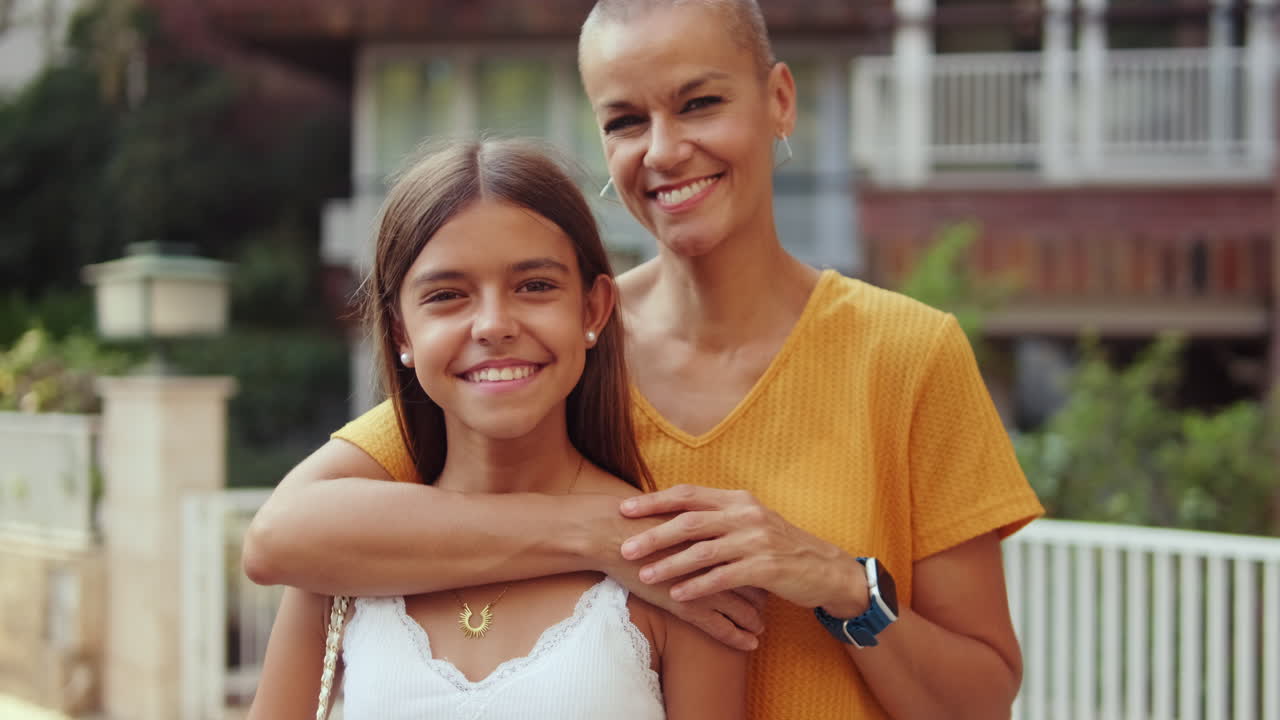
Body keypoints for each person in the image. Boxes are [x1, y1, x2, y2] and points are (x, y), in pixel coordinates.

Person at [244, 1, 1045, 717]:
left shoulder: (908, 356)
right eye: (626, 120)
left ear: (779, 100)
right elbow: (282, 536)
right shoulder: (551, 346)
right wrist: (598, 534)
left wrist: (839, 583)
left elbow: (979, 700)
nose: (664, 150)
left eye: (700, 103)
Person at [246, 138, 747, 719]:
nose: (493, 325)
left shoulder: (674, 569)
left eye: (534, 286)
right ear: (402, 333)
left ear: (593, 311)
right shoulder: (340, 556)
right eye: (447, 295)